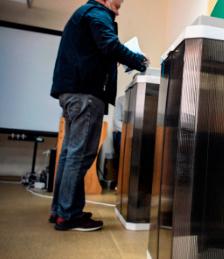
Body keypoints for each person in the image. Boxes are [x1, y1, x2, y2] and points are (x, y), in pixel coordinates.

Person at [49, 0, 148, 231]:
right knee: (79, 154)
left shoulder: (87, 13)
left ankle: (61, 210)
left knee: (69, 154)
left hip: (72, 92)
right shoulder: (97, 13)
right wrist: (139, 61)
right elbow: (110, 45)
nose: (119, 8)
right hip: (85, 94)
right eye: (118, 3)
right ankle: (69, 215)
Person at [112, 94, 124, 186]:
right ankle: (119, 182)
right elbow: (116, 122)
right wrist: (129, 129)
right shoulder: (121, 99)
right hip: (122, 131)